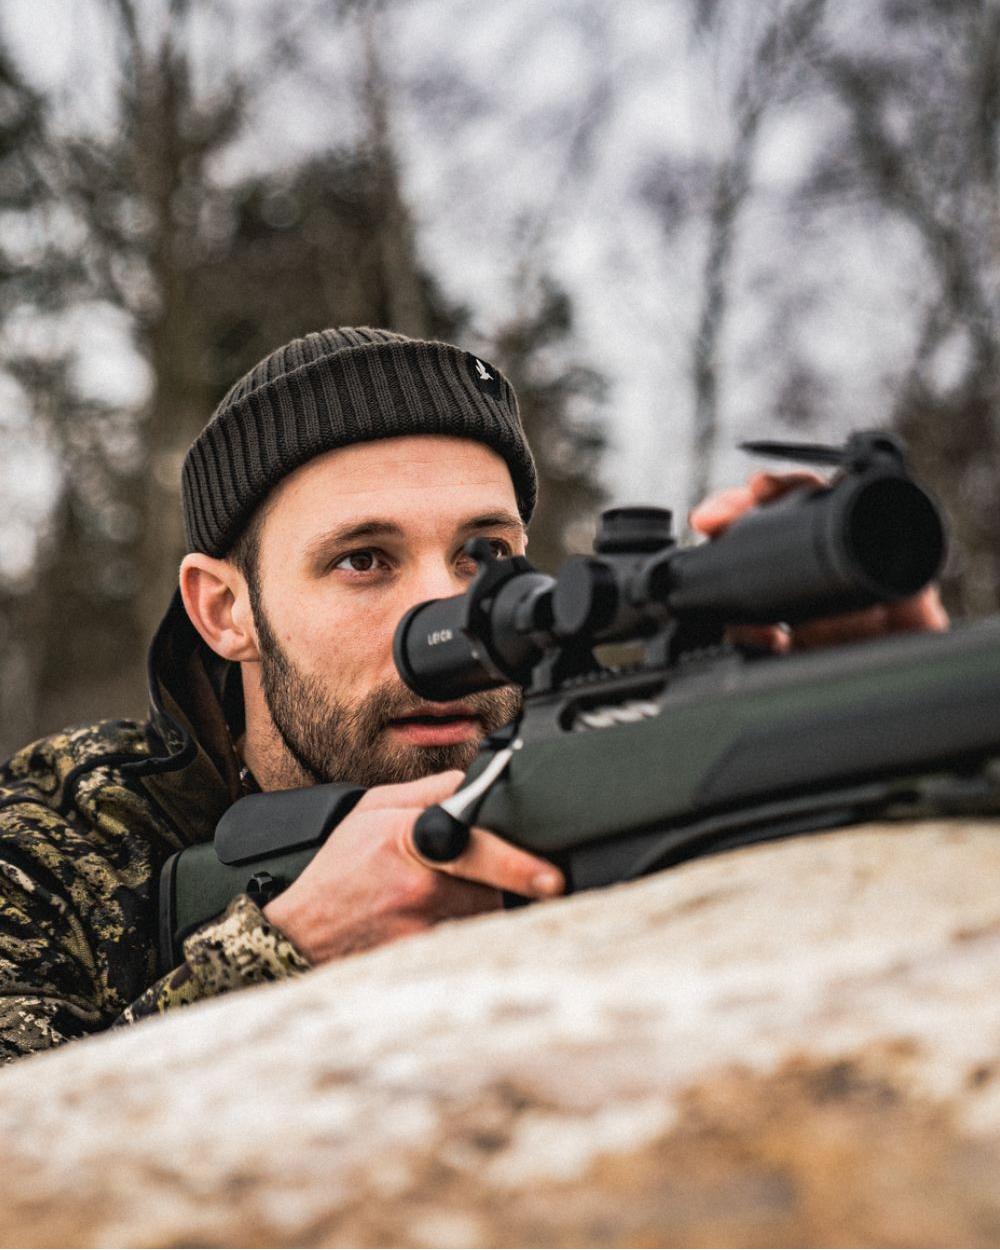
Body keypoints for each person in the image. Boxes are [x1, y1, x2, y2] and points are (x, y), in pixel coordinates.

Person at [0, 327, 946, 1064]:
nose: (445, 615)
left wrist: (896, 709)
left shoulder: (607, 757)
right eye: (363, 559)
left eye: (485, 555)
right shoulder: (55, 839)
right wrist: (276, 953)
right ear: (224, 610)